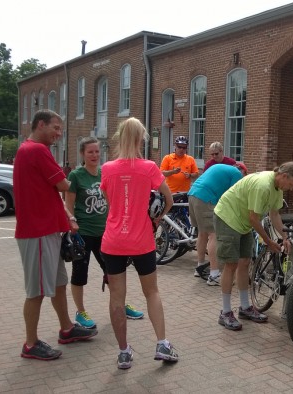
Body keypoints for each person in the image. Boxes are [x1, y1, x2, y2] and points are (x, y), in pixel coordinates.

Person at [14, 109, 98, 361]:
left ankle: (67, 328)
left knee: (59, 283)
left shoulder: (28, 149)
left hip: (47, 230)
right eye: (56, 128)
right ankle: (30, 343)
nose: (59, 134)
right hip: (37, 232)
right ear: (40, 125)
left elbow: (51, 192)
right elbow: (64, 185)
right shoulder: (37, 150)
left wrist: (68, 217)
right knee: (37, 290)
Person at [100, 117, 178, 369]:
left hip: (113, 240)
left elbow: (109, 201)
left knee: (116, 298)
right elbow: (168, 200)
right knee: (151, 292)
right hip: (142, 239)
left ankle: (123, 352)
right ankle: (162, 344)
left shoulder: (107, 168)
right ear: (140, 138)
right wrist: (156, 220)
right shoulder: (149, 168)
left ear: (119, 137)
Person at [64, 137, 144, 330]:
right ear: (83, 154)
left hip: (106, 232)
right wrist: (71, 224)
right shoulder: (76, 176)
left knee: (114, 272)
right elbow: (69, 204)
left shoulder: (105, 172)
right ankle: (80, 312)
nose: (94, 155)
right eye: (90, 152)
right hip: (83, 233)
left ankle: (120, 305)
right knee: (79, 274)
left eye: (97, 152)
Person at [213, 161, 293, 330]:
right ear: (284, 176)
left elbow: (274, 214)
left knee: (245, 262)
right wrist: (269, 242)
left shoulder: (277, 189)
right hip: (228, 217)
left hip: (242, 223)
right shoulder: (263, 185)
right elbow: (254, 219)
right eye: (291, 184)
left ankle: (245, 307)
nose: (291, 188)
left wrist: (284, 237)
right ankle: (225, 312)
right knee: (231, 264)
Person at [188, 162, 248, 284]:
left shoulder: (220, 168)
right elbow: (234, 197)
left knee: (202, 233)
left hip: (193, 194)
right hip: (206, 198)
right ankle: (214, 275)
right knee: (213, 235)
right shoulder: (236, 174)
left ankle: (200, 267)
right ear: (242, 171)